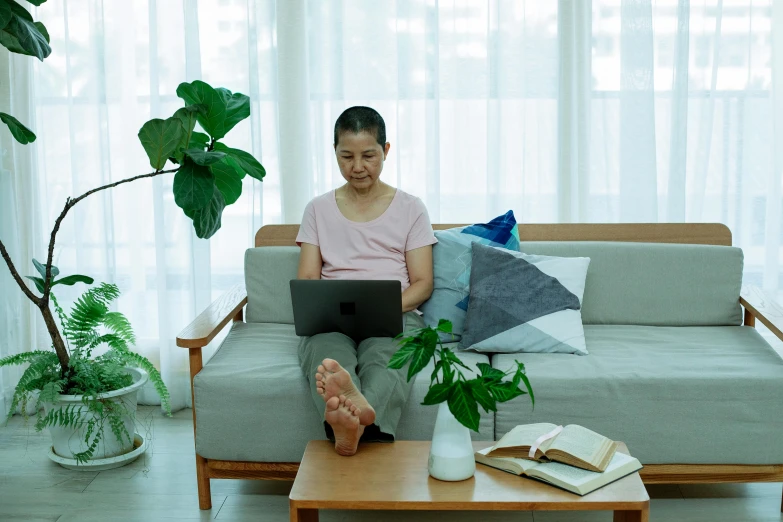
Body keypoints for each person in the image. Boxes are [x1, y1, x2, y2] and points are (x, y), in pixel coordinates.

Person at [296, 106, 437, 456]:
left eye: (368, 156)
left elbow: (422, 283)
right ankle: (358, 419)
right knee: (327, 358)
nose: (357, 167)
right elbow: (309, 279)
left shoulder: (411, 208)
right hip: (331, 320)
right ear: (335, 154)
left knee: (388, 360)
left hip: (395, 315)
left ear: (386, 151)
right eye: (347, 156)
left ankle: (350, 425)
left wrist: (382, 307)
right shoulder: (317, 209)